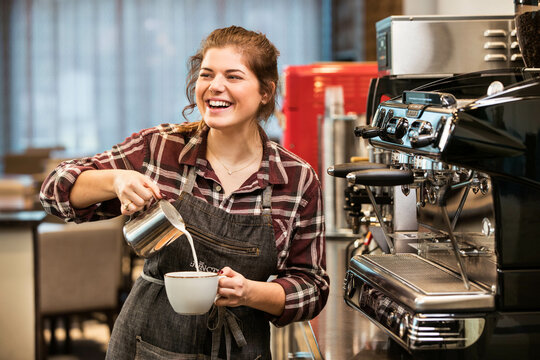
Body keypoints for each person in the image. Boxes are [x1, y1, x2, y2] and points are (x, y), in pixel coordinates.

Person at [40, 25, 329, 360]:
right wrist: (115, 180)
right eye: (207, 74)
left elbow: (312, 288)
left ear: (266, 91)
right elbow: (54, 191)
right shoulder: (160, 148)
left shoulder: (295, 178)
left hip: (240, 348)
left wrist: (250, 293)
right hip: (146, 342)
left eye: (233, 76)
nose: (215, 86)